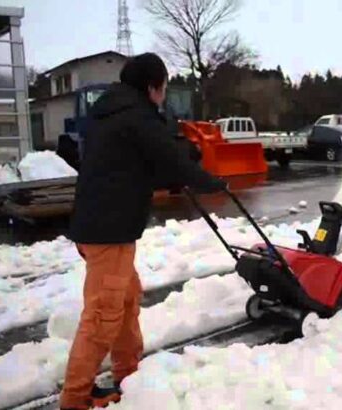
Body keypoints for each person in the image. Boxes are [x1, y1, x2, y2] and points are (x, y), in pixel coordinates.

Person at [60, 53, 226, 410]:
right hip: (109, 230)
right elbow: (171, 159)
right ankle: (75, 398)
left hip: (102, 225)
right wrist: (213, 182)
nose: (164, 96)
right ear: (152, 87)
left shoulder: (111, 113)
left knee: (125, 300)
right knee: (104, 315)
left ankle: (128, 374)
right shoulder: (136, 116)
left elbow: (133, 163)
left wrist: (172, 178)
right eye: (163, 88)